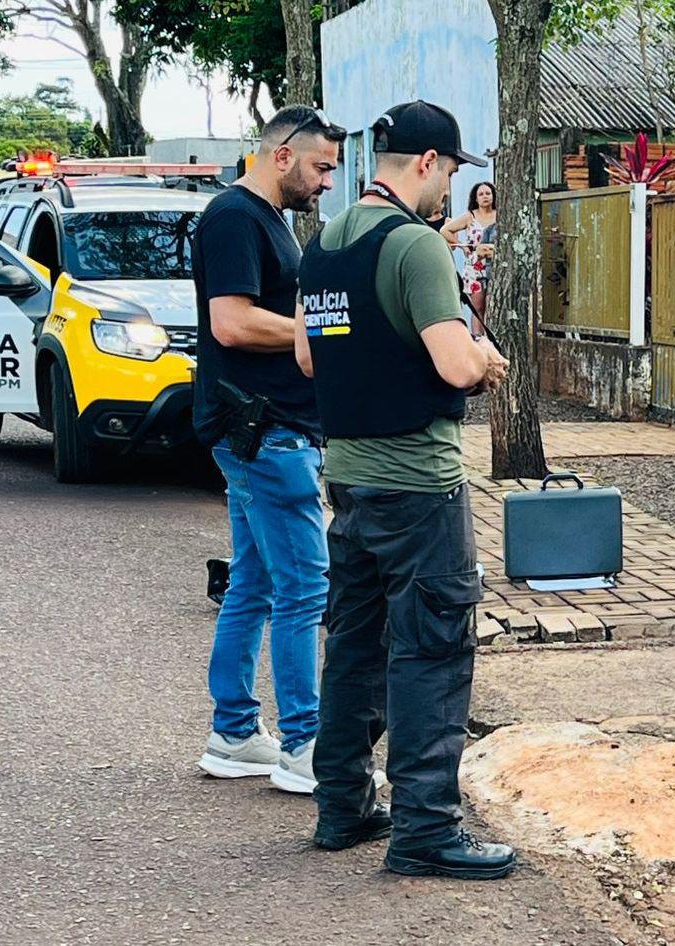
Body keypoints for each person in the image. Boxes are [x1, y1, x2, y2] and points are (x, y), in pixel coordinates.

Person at [294, 100, 514, 879]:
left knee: (355, 647)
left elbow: (309, 358)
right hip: (419, 483)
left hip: (348, 480)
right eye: (450, 170)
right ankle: (426, 831)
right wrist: (486, 362)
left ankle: (342, 806)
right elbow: (454, 362)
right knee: (432, 650)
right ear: (426, 163)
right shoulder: (415, 243)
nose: (450, 186)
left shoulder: (324, 245)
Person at [192, 105, 345, 793]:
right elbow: (230, 323)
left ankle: (234, 734)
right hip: (267, 431)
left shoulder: (265, 217)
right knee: (304, 588)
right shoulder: (234, 217)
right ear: (282, 155)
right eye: (321, 167)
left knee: (253, 583)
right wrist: (315, 334)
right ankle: (304, 746)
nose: (327, 182)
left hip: (264, 428)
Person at [440, 181, 497, 316]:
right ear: (475, 199)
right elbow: (445, 230)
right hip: (475, 266)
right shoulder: (470, 216)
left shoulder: (501, 215)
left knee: (495, 306)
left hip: (496, 264)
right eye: (481, 194)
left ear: (493, 196)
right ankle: (477, 331)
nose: (485, 196)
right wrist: (462, 245)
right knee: (478, 307)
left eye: (488, 193)